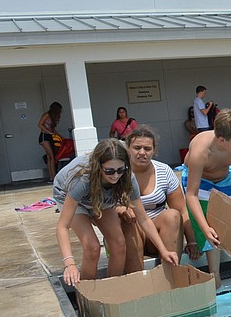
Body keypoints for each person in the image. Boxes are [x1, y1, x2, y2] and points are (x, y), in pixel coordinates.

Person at [53, 139, 179, 287]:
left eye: (120, 170)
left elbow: (143, 218)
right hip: (70, 195)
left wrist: (163, 250)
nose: (115, 175)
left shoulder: (126, 177)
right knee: (92, 247)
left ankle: (113, 291)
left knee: (119, 243)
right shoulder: (82, 179)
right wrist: (69, 263)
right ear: (98, 166)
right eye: (109, 171)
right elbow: (62, 226)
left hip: (101, 195)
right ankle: (87, 297)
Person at [182, 108, 231, 289]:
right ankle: (214, 275)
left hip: (225, 177)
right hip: (199, 178)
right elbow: (191, 195)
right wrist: (205, 228)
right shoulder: (201, 151)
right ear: (222, 140)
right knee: (211, 222)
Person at [120, 126, 196, 274]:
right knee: (127, 220)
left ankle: (171, 277)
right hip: (131, 233)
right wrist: (120, 208)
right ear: (128, 148)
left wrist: (192, 241)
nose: (142, 153)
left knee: (173, 215)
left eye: (147, 149)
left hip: (158, 233)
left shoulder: (164, 171)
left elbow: (182, 209)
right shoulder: (117, 172)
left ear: (154, 151)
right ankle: (138, 283)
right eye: (137, 148)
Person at [38, 101, 63, 183]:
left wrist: (60, 136)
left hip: (49, 136)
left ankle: (52, 177)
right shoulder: (47, 115)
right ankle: (53, 176)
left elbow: (53, 129)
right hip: (44, 136)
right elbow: (40, 124)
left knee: (50, 157)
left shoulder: (52, 117)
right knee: (51, 156)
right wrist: (49, 132)